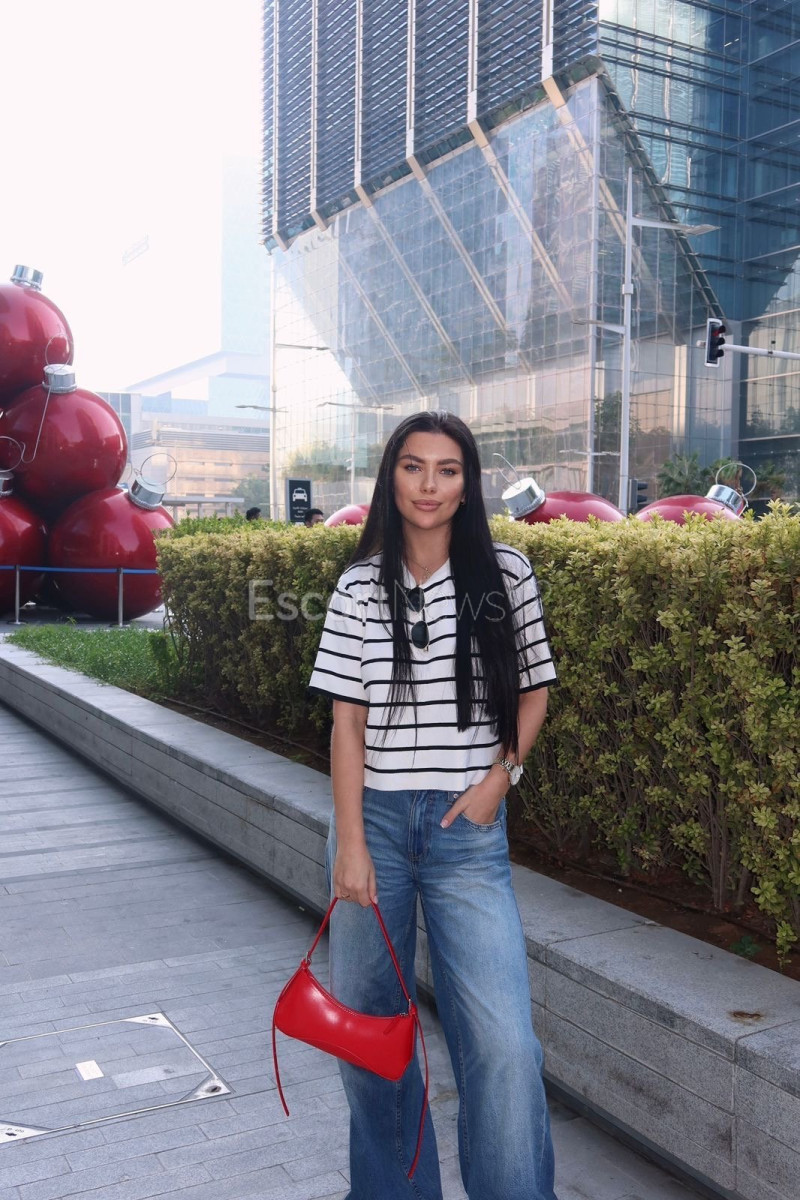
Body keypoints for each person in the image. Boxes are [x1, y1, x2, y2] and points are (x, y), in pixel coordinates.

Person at [308, 409, 559, 1200]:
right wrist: (352, 844)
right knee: (371, 1034)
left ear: (467, 483)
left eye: (447, 470)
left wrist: (498, 780)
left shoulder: (506, 574)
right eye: (413, 466)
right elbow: (347, 723)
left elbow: (535, 689)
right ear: (391, 477)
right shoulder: (359, 585)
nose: (429, 484)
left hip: (466, 831)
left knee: (504, 1045)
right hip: (374, 826)